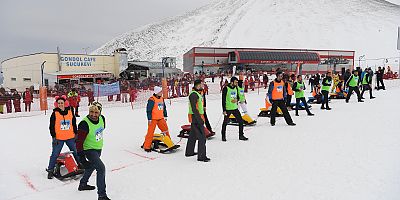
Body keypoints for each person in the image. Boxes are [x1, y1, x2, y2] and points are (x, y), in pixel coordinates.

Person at [76, 102, 111, 200]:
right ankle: (102, 195)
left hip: (98, 148)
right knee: (101, 168)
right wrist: (82, 159)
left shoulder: (102, 119)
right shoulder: (84, 124)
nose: (93, 114)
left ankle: (83, 184)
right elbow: (79, 142)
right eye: (91, 111)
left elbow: (102, 128)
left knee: (91, 167)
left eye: (96, 112)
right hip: (89, 150)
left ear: (100, 112)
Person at [46, 95, 78, 179]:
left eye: (62, 103)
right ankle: (50, 170)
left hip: (70, 137)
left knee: (76, 152)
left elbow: (74, 123)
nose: (60, 104)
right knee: (55, 154)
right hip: (59, 138)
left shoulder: (70, 111)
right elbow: (51, 127)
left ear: (65, 103)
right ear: (57, 104)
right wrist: (54, 137)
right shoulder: (54, 114)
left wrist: (76, 133)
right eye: (59, 103)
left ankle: (81, 164)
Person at [186, 80, 210, 162]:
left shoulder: (197, 93)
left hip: (196, 117)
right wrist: (199, 119)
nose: (201, 86)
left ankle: (189, 152)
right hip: (196, 117)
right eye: (199, 85)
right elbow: (194, 108)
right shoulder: (193, 94)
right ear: (196, 86)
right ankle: (201, 156)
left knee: (192, 136)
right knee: (202, 137)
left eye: (201, 85)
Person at [143, 86, 170, 152]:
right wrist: (149, 119)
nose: (161, 93)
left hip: (161, 118)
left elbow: (164, 108)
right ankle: (147, 146)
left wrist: (165, 115)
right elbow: (148, 110)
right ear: (157, 92)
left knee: (165, 130)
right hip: (153, 119)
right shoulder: (152, 99)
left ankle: (169, 142)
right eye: (160, 92)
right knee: (150, 133)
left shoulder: (162, 99)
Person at [221, 77, 248, 141]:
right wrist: (224, 110)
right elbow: (223, 100)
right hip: (228, 109)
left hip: (235, 108)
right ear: (232, 82)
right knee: (225, 122)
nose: (237, 83)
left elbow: (238, 97)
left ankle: (241, 135)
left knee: (241, 121)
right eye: (236, 82)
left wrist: (237, 99)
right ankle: (223, 136)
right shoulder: (226, 88)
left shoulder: (236, 88)